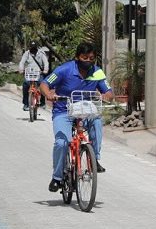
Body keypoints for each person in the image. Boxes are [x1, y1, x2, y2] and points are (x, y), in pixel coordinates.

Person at [39, 42, 112, 193]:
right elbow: (45, 84)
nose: (88, 61)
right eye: (84, 57)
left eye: (91, 58)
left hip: (85, 111)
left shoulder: (97, 72)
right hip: (63, 111)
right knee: (61, 142)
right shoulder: (64, 70)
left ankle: (94, 159)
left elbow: (109, 92)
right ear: (77, 57)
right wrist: (49, 94)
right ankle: (57, 177)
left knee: (97, 121)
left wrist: (106, 95)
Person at [18, 41, 49, 111]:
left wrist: (45, 70)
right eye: (32, 48)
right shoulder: (27, 53)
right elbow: (22, 62)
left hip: (39, 73)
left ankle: (43, 102)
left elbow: (46, 62)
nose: (33, 50)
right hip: (29, 73)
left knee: (42, 84)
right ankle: (26, 104)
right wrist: (21, 69)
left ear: (37, 48)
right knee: (25, 84)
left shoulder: (41, 53)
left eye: (34, 48)